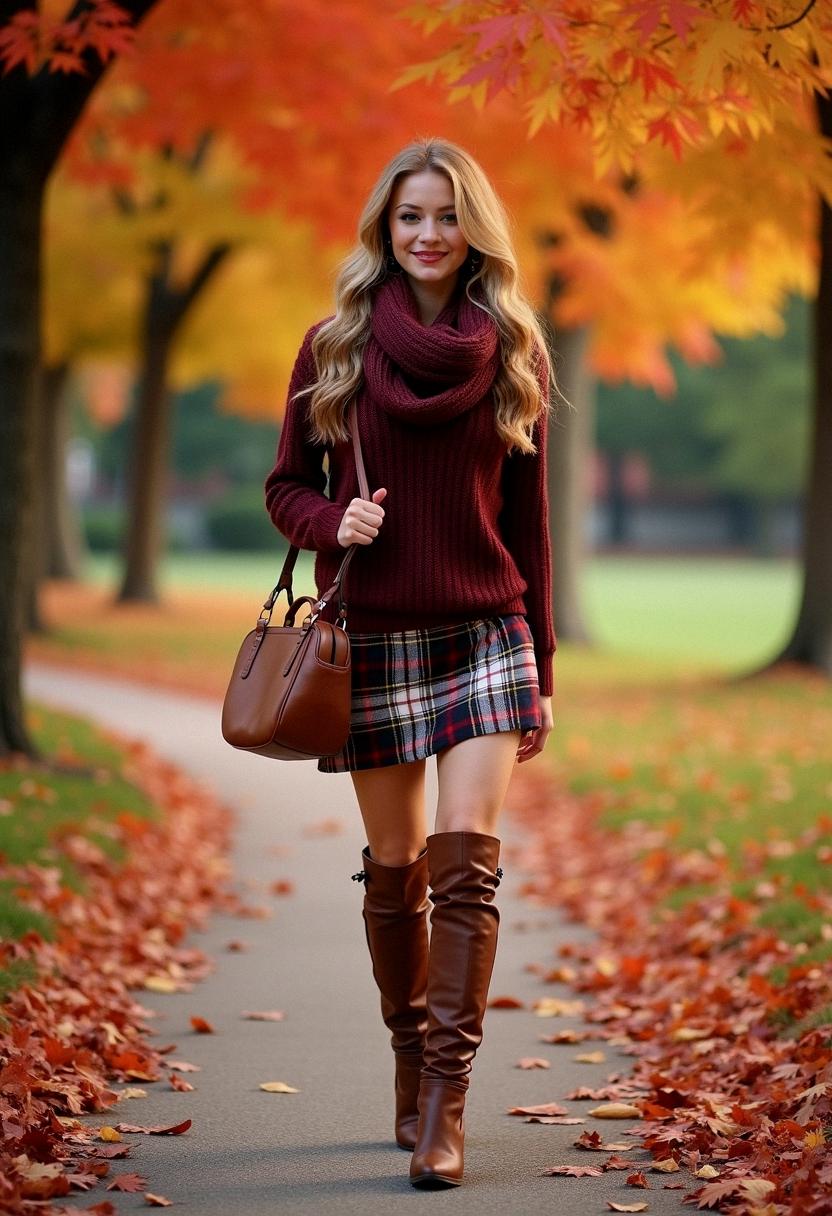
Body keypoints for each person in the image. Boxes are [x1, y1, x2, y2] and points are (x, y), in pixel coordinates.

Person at [264, 137, 557, 1189]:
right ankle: (407, 1051)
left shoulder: (514, 349)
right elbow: (284, 487)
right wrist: (331, 521)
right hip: (375, 636)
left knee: (465, 860)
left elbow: (530, 524)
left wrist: (544, 671)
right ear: (385, 230)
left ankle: (445, 1101)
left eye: (446, 215)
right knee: (395, 869)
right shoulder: (334, 345)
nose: (429, 234)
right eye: (410, 217)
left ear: (473, 229)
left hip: (485, 632)